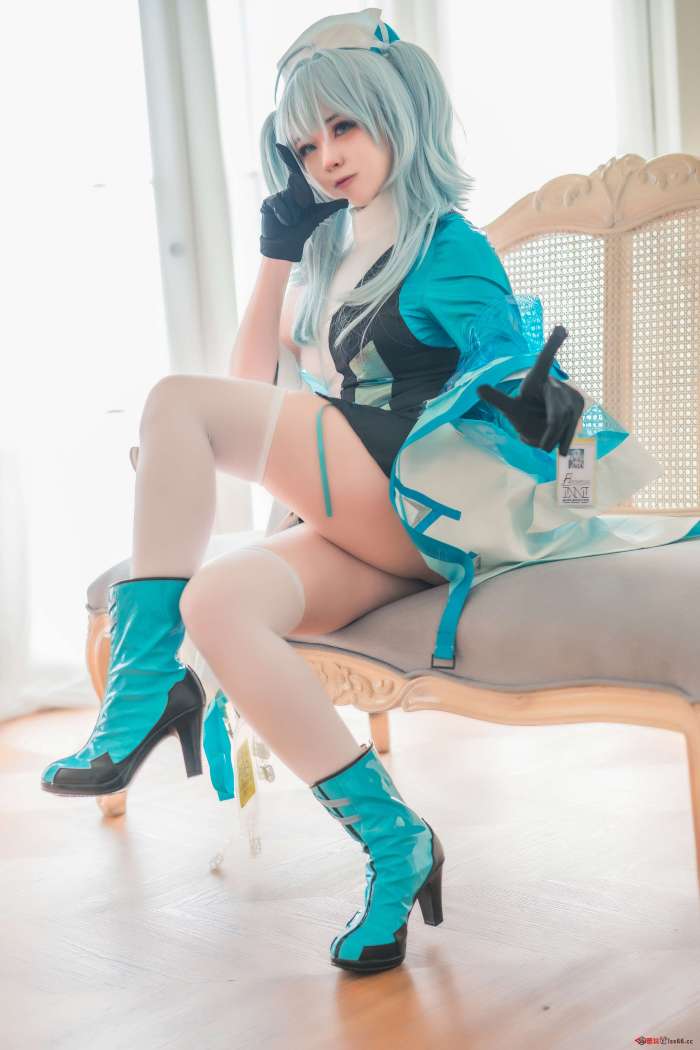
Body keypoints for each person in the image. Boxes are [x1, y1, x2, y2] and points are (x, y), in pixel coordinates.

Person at [40, 7, 699, 974]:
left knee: (176, 401)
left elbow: (538, 407)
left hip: (432, 510)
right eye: (305, 145)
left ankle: (143, 693)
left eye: (343, 126)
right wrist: (276, 255)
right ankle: (398, 846)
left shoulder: (447, 247)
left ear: (397, 114)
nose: (326, 158)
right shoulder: (329, 256)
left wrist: (542, 418)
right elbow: (249, 390)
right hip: (369, 517)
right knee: (217, 602)